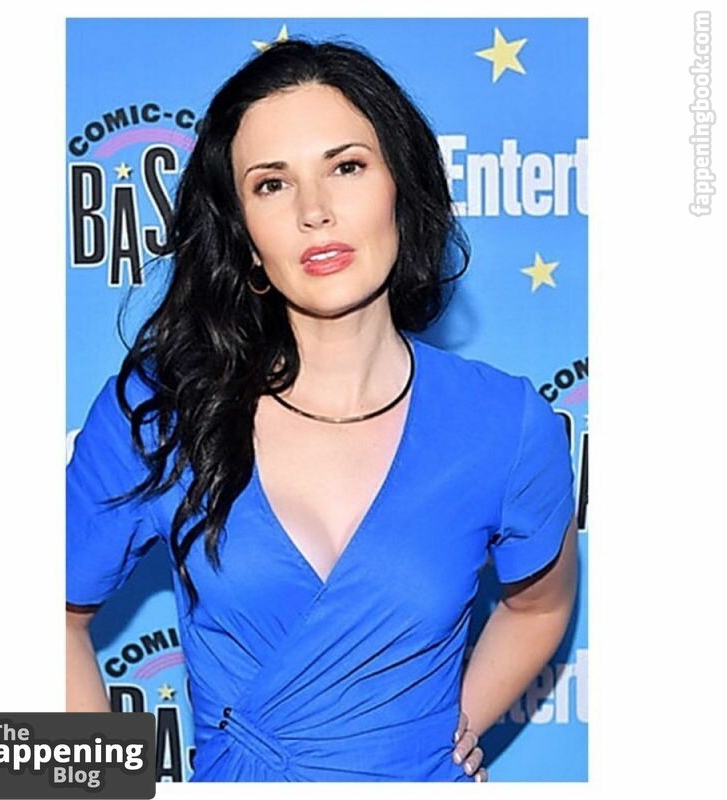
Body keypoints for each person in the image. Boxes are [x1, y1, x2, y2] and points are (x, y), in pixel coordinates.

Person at [66, 38, 577, 783]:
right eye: (272, 184)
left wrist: (449, 729)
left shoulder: (506, 424)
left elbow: (540, 608)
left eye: (346, 167)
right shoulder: (163, 409)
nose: (315, 212)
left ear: (401, 186)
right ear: (244, 237)